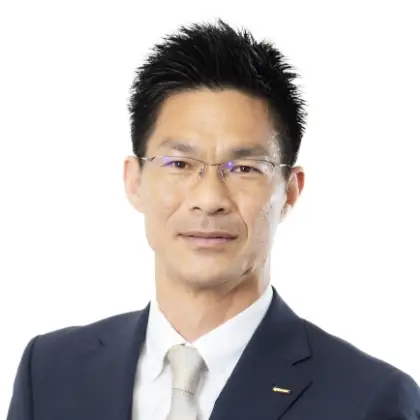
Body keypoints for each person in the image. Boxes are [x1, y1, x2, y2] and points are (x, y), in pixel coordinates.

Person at [7, 19, 420, 420]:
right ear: (134, 181)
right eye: (179, 163)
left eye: (244, 168)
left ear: (290, 192)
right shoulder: (49, 372)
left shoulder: (370, 400)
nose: (209, 200)